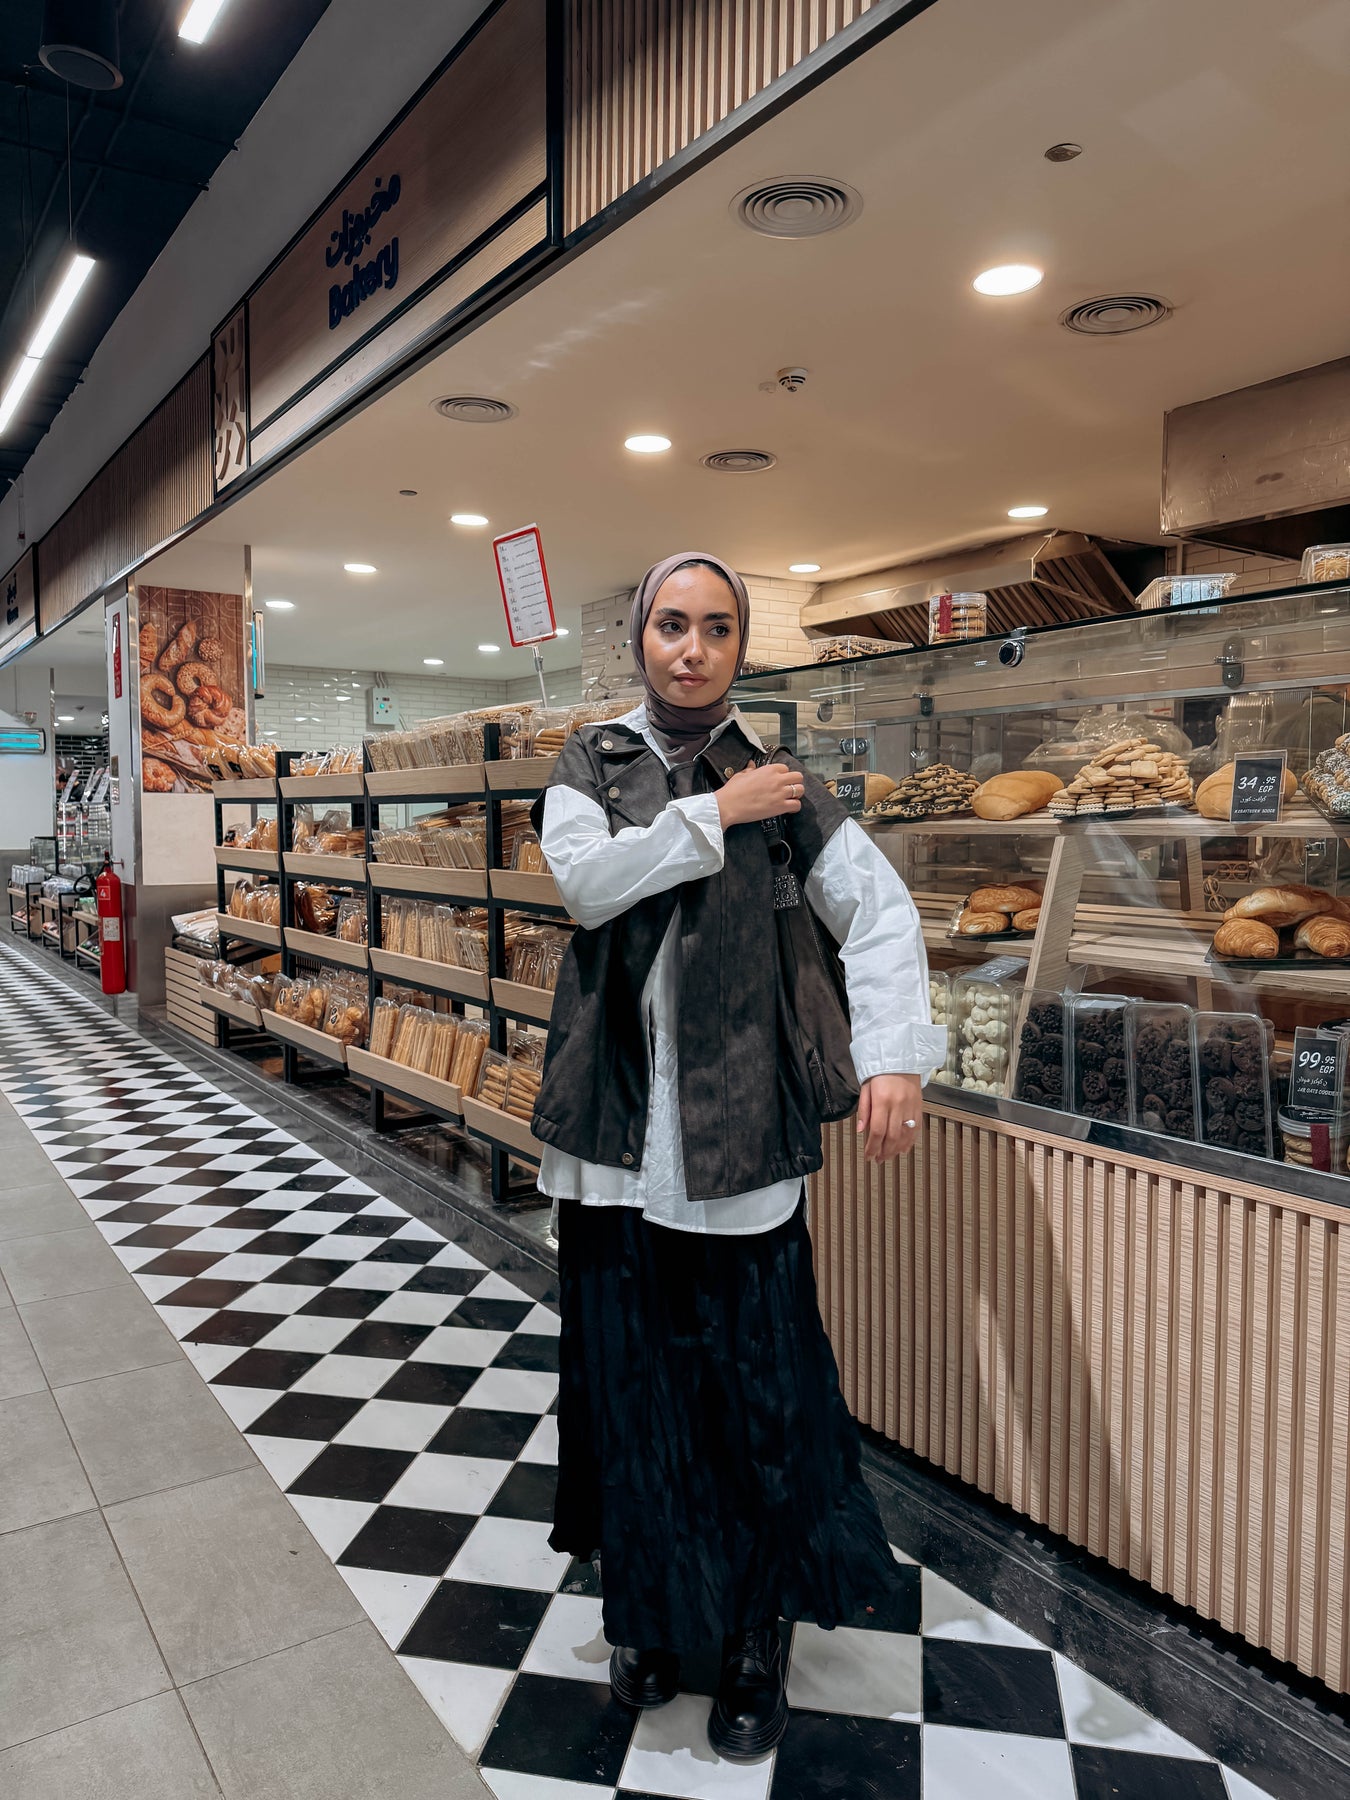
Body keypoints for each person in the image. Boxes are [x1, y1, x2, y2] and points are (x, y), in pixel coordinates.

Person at [529, 551, 946, 1761]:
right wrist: (716, 814)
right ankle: (650, 1618)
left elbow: (880, 914)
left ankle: (758, 1637)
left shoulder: (785, 783)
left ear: (740, 647)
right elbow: (589, 884)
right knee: (633, 1391)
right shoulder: (592, 762)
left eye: (717, 628)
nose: (693, 649)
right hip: (613, 1139)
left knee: (755, 1400)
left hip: (742, 1139)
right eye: (673, 624)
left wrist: (895, 1057)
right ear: (640, 636)